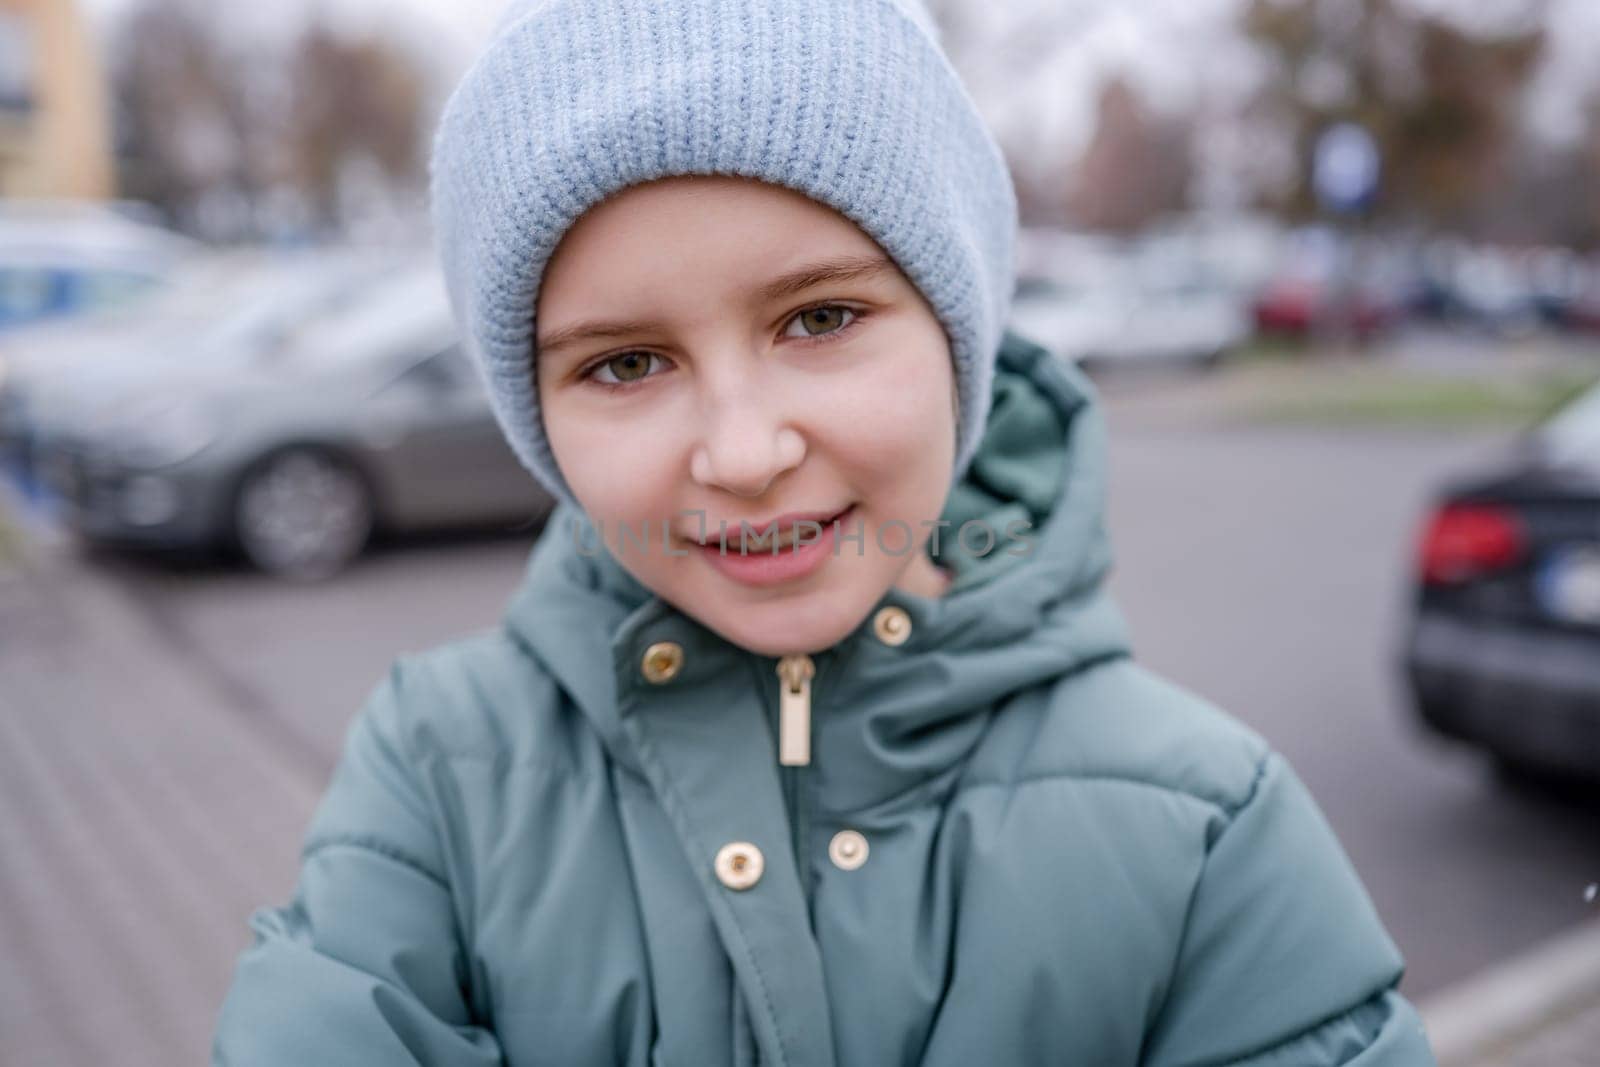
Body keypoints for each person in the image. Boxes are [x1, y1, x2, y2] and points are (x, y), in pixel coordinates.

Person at [212, 1, 1438, 1063]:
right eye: (628, 361)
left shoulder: (1201, 827)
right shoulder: (440, 775)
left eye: (819, 318)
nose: (743, 453)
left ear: (957, 329)